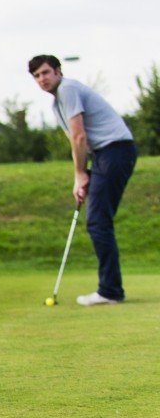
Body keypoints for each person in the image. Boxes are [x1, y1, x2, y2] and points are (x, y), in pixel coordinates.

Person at [29, 55, 137, 306]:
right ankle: (111, 288)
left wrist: (79, 175)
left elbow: (79, 137)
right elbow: (77, 141)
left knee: (98, 221)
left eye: (46, 72)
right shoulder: (57, 103)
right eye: (37, 76)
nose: (42, 79)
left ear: (58, 71)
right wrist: (84, 173)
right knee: (99, 221)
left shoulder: (67, 89)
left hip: (115, 151)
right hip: (104, 155)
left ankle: (110, 290)